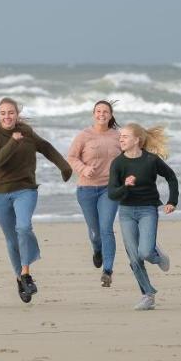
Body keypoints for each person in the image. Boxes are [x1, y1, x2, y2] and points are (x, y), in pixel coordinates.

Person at [0, 97, 73, 304]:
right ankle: (20, 279)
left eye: (11, 112)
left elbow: (46, 147)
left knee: (23, 228)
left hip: (25, 189)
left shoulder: (26, 132)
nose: (7, 116)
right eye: (3, 113)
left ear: (17, 114)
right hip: (0, 193)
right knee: (11, 239)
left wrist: (64, 166)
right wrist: (12, 142)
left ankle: (26, 273)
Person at [108, 123, 179, 311]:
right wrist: (125, 186)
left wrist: (172, 201)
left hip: (148, 210)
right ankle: (148, 295)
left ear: (137, 140)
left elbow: (171, 177)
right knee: (134, 258)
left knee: (145, 253)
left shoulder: (151, 160)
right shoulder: (118, 163)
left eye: (125, 136)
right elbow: (112, 194)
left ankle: (156, 254)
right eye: (120, 136)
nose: (121, 139)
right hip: (126, 212)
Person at [66, 100, 122, 287]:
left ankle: (107, 270)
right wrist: (83, 169)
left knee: (106, 228)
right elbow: (72, 157)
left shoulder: (118, 136)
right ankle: (97, 249)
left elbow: (129, 156)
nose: (102, 114)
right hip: (87, 189)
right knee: (96, 233)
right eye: (98, 111)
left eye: (105, 111)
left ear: (111, 115)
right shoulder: (84, 135)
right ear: (93, 114)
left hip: (109, 189)